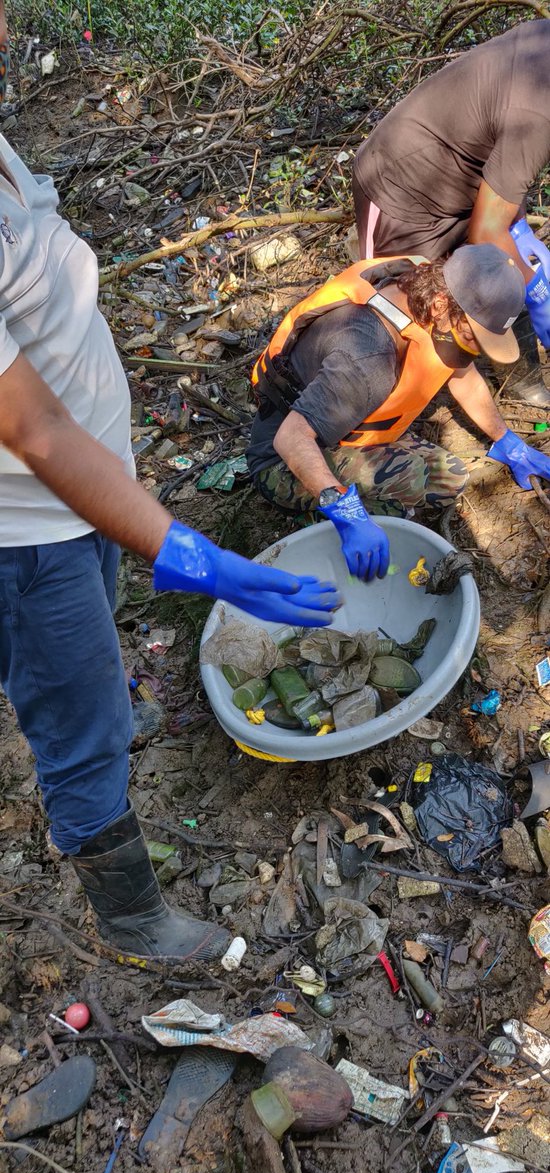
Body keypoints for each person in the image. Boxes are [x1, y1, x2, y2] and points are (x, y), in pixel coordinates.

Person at [0, 6, 339, 965]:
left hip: (83, 497)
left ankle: (73, 696)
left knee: (80, 662)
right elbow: (31, 428)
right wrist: (183, 549)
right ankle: (131, 920)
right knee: (85, 719)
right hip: (25, 527)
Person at [248, 244, 550, 581]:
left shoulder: (421, 280)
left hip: (337, 419)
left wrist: (506, 439)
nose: (476, 348)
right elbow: (290, 438)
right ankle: (314, 521)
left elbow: (461, 372)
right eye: (472, 335)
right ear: (441, 305)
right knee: (425, 491)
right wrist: (347, 513)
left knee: (445, 473)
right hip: (284, 458)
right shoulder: (369, 363)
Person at [352, 19, 550, 406]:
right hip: (401, 186)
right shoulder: (540, 112)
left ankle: (524, 386)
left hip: (472, 180)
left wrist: (521, 256)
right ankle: (391, 416)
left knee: (503, 274)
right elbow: (487, 233)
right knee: (413, 313)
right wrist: (538, 290)